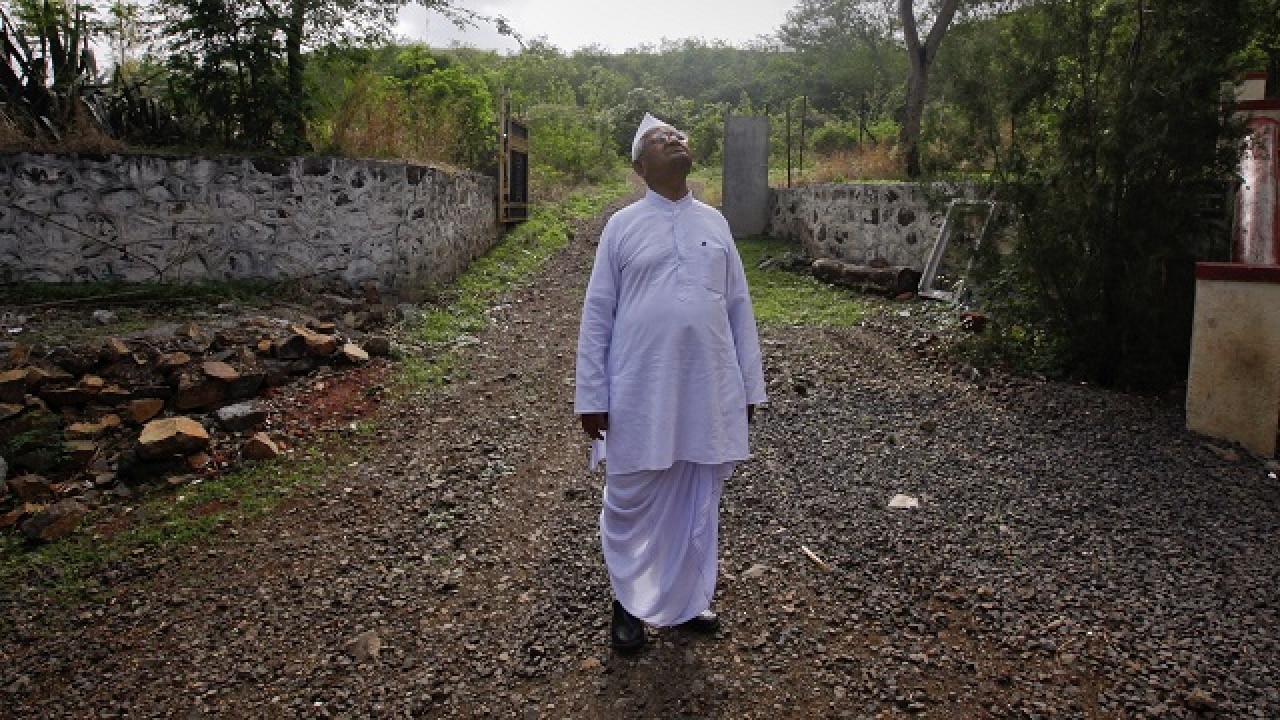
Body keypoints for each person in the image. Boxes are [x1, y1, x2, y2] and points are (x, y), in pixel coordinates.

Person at [574, 112, 768, 653]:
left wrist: (748, 388)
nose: (675, 139)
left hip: (706, 390)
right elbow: (598, 314)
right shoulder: (622, 226)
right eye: (661, 139)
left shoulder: (715, 223)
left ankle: (684, 602)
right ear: (640, 166)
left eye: (679, 135)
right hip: (638, 390)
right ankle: (628, 604)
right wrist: (591, 394)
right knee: (632, 497)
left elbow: (738, 308)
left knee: (694, 502)